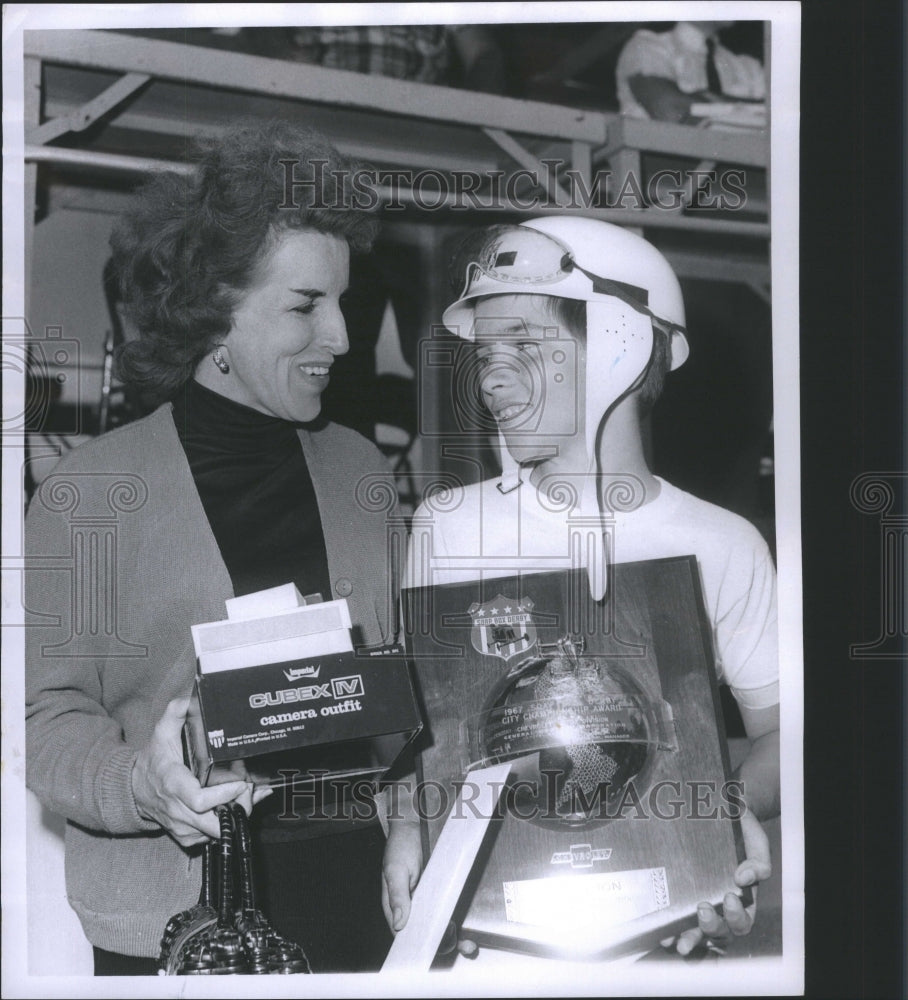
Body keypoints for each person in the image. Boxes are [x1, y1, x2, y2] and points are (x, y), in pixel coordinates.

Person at [25, 119, 400, 975]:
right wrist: (144, 786)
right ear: (216, 309)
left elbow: (401, 693)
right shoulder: (88, 493)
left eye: (343, 301)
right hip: (173, 917)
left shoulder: (360, 471)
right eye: (307, 305)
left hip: (361, 895)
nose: (341, 337)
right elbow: (47, 724)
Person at [383, 216, 779, 960]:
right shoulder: (445, 526)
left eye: (523, 347)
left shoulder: (724, 544)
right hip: (485, 952)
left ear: (620, 347)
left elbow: (787, 737)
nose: (490, 378)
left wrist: (723, 815)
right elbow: (422, 735)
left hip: (661, 945)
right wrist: (411, 822)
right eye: (487, 353)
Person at [615, 21, 766, 123]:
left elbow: (779, 120)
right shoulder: (648, 46)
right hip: (663, 168)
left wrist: (710, 99)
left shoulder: (750, 68)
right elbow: (670, 109)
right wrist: (748, 109)